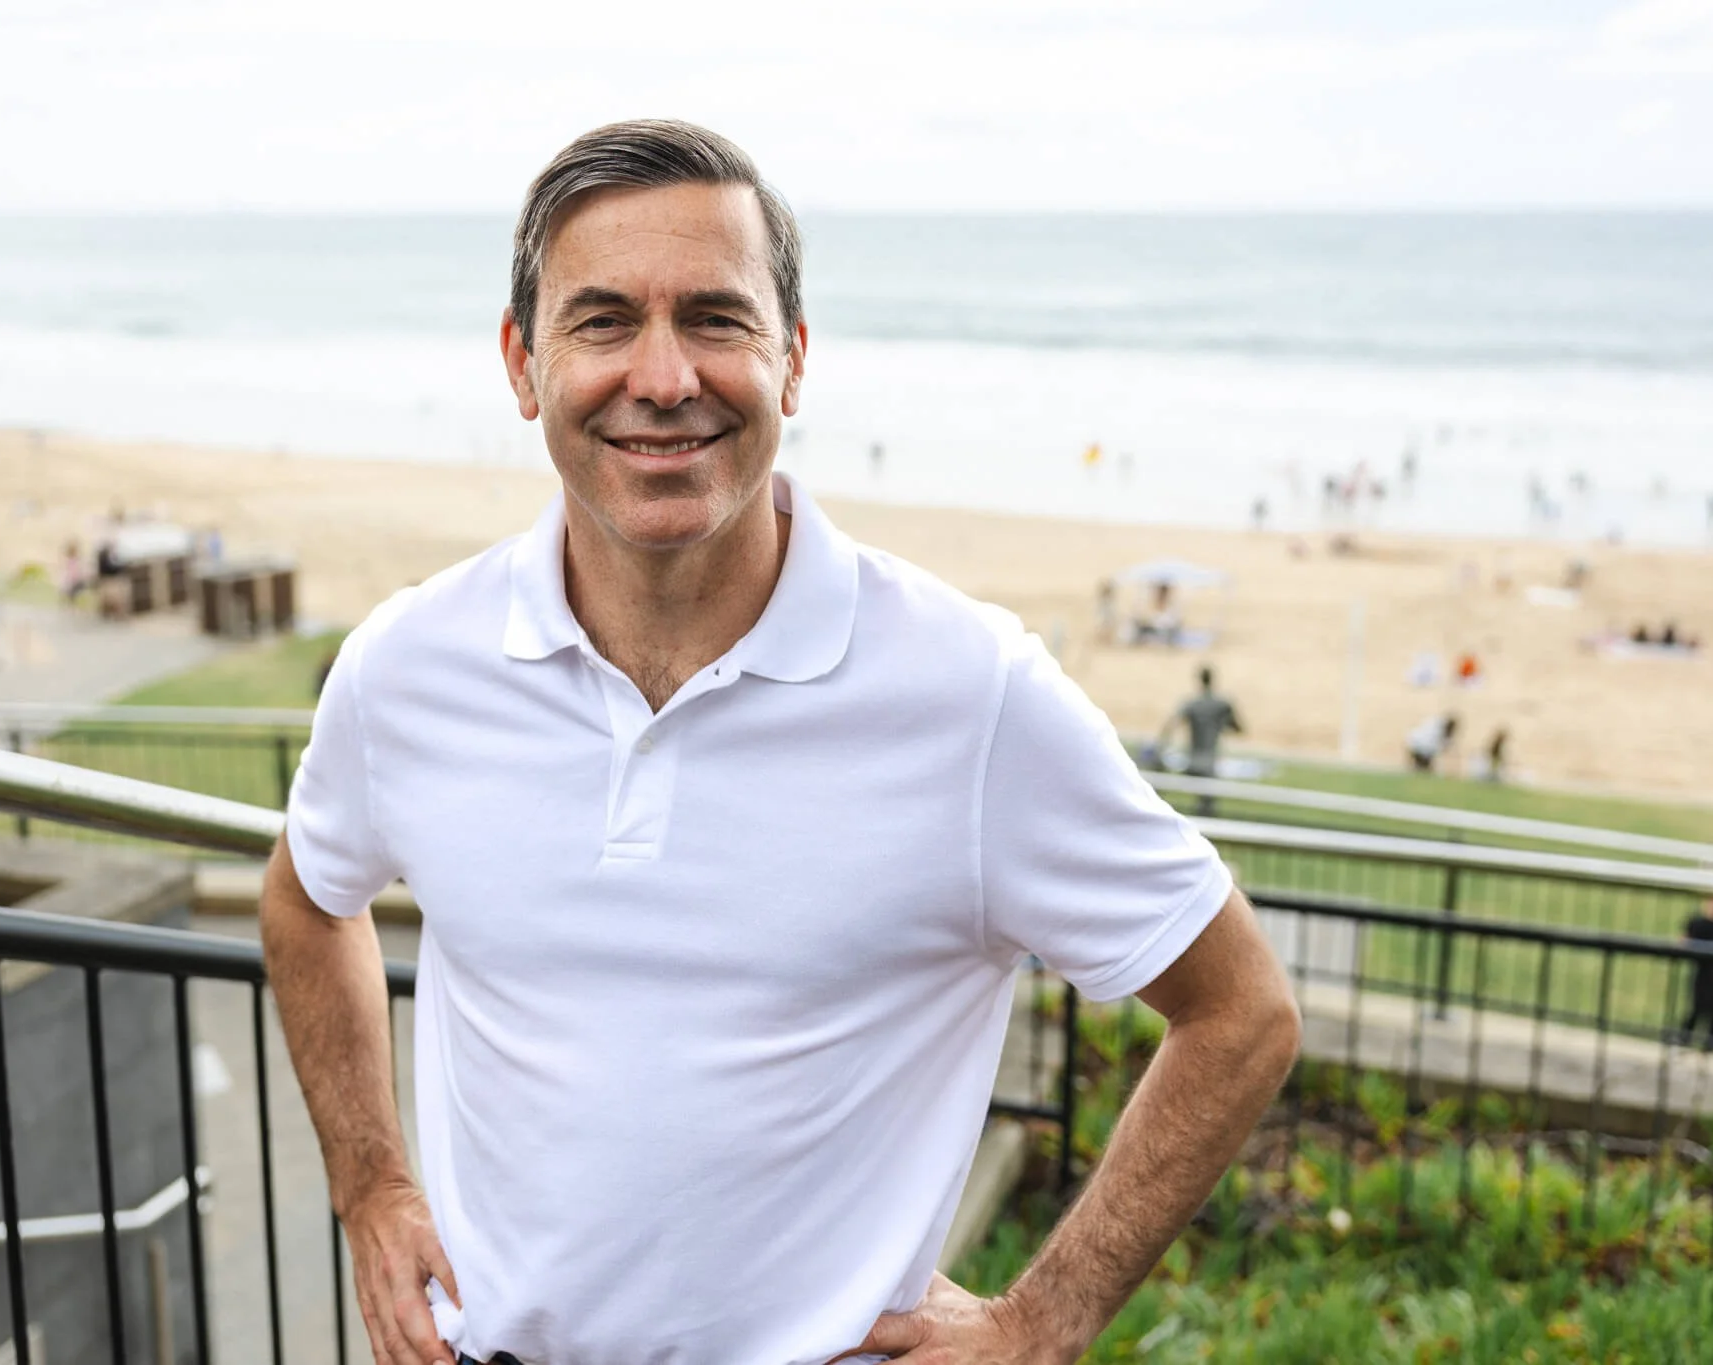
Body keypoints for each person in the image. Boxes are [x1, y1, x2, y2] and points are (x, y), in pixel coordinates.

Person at [261, 120, 1299, 1365]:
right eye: (600, 322)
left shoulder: (970, 694)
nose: (661, 376)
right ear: (520, 364)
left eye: (715, 318)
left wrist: (1041, 1322)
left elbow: (1237, 1011)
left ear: (792, 361)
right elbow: (306, 898)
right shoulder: (407, 666)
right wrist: (371, 1186)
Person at [1158, 666, 1244, 815]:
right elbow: (1238, 729)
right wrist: (1219, 724)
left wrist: (1161, 749)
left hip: (1192, 759)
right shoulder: (1222, 705)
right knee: (1207, 806)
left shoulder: (1192, 703)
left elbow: (1170, 726)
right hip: (1210, 761)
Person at [1678, 896, 1713, 1052]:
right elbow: (1683, 942)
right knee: (1699, 1006)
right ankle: (1685, 1037)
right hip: (1704, 972)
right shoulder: (1698, 923)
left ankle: (1710, 1042)